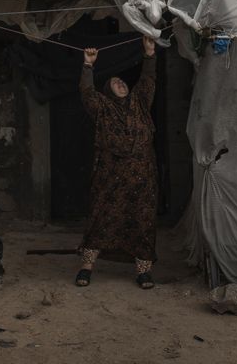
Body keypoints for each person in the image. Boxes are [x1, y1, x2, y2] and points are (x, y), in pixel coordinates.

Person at [76, 36, 159, 289]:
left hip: (142, 178)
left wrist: (149, 53)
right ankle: (86, 268)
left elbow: (148, 80)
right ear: (107, 90)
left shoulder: (140, 102)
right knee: (101, 218)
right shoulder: (102, 107)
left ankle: (143, 272)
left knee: (143, 222)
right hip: (110, 177)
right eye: (115, 82)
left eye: (122, 81)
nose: (121, 84)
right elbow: (87, 92)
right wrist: (88, 66)